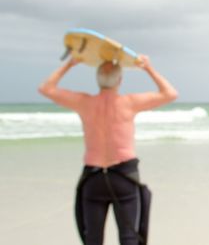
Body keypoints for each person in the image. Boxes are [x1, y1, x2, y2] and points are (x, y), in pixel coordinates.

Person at [38, 55, 178, 245]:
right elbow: (170, 94)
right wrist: (148, 68)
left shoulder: (84, 102)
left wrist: (69, 64)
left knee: (93, 240)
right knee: (129, 238)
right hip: (124, 177)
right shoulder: (129, 102)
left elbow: (46, 89)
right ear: (120, 80)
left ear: (97, 79)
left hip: (93, 178)